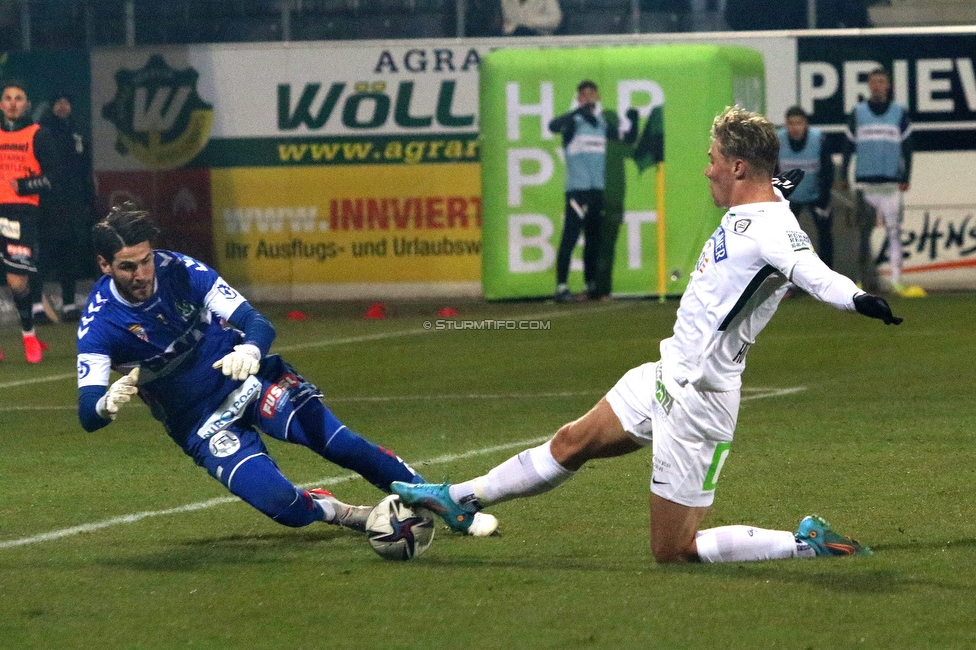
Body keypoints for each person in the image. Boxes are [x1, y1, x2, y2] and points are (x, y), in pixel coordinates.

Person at [392, 106, 904, 563]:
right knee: (572, 442)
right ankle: (458, 499)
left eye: (713, 158)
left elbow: (811, 270)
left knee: (673, 550)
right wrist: (777, 184)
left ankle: (805, 543)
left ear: (738, 168)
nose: (707, 168)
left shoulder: (774, 228)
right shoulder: (755, 206)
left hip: (699, 400)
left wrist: (856, 298)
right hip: (664, 373)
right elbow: (770, 198)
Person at [76, 205, 499, 537]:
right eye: (128, 266)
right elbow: (87, 414)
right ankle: (339, 511)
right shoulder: (99, 325)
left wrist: (250, 350)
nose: (142, 274)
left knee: (341, 444)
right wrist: (105, 407)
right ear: (103, 265)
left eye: (145, 261)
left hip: (249, 379)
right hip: (200, 422)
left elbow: (258, 323)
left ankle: (443, 503)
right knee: (282, 506)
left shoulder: (181, 270)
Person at [549, 80, 639, 301]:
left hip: (598, 191)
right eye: (584, 95)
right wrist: (578, 111)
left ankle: (591, 285)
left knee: (593, 241)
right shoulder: (573, 122)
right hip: (578, 191)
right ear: (579, 98)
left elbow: (626, 139)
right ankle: (561, 287)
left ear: (598, 97)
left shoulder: (601, 124)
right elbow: (553, 125)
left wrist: (635, 121)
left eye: (592, 94)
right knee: (570, 238)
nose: (589, 98)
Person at [840, 67, 921, 297]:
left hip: (891, 184)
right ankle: (859, 283)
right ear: (868, 85)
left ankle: (897, 281)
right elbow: (848, 146)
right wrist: (844, 173)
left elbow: (907, 147)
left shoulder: (899, 113)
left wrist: (907, 176)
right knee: (863, 233)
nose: (877, 85)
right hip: (865, 184)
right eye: (873, 81)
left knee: (894, 232)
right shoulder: (858, 112)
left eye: (881, 81)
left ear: (888, 85)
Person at [0, 79, 60, 363]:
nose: (13, 103)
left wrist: (23, 185)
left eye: (18, 98)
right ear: (1, 104)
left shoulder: (39, 135)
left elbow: (53, 178)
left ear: (27, 104)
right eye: (8, 98)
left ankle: (29, 335)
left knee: (17, 282)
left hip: (19, 213)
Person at [32, 91, 96, 324]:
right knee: (44, 256)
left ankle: (69, 305)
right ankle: (37, 307)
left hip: (73, 204)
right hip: (48, 204)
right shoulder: (42, 131)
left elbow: (85, 167)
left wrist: (87, 197)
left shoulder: (77, 130)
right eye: (58, 102)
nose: (62, 106)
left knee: (70, 255)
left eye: (66, 102)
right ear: (51, 106)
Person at [777, 106, 835, 269]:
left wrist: (824, 199)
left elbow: (827, 170)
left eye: (799, 123)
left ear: (806, 124)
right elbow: (772, 171)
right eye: (791, 123)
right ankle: (787, 279)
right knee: (782, 240)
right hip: (788, 197)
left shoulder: (819, 139)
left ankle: (826, 277)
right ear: (786, 125)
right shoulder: (777, 140)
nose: (795, 128)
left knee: (825, 235)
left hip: (815, 195)